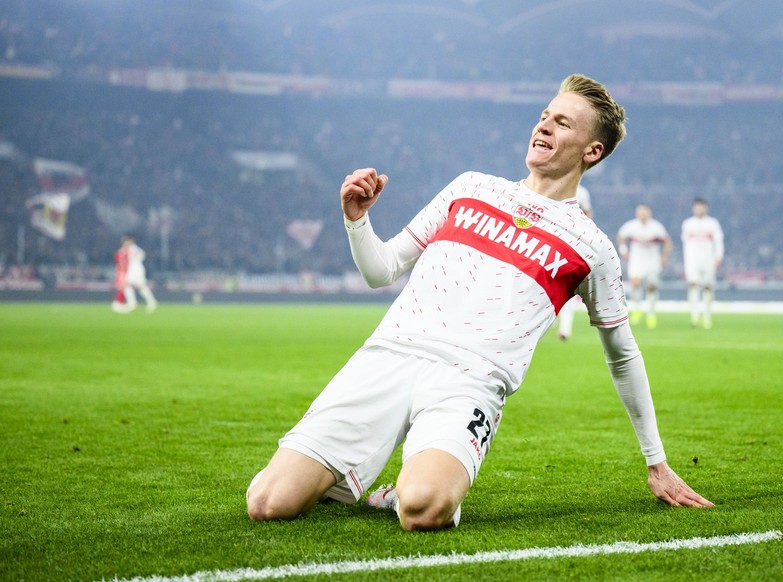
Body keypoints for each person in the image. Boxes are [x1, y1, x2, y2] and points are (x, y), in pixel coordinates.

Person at [246, 74, 712, 531]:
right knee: (268, 503)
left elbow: (623, 355)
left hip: (469, 383)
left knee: (422, 510)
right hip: (389, 356)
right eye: (545, 116)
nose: (544, 126)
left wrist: (656, 462)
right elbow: (381, 269)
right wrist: (357, 221)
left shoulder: (592, 247)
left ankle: (407, 489)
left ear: (593, 151)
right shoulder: (469, 187)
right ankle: (343, 478)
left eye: (563, 123)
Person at [616, 204, 672, 329]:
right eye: (640, 212)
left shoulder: (656, 227)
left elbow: (667, 242)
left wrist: (664, 256)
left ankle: (651, 313)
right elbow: (620, 236)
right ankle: (637, 309)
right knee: (635, 283)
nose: (642, 214)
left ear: (649, 213)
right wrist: (624, 249)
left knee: (651, 287)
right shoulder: (631, 225)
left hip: (652, 260)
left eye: (644, 212)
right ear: (637, 213)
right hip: (637, 260)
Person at [556, 182, 593, 340]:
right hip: (551, 240)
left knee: (566, 286)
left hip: (570, 243)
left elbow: (587, 213)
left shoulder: (582, 192)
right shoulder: (551, 186)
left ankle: (565, 328)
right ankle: (550, 321)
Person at [681, 198, 723, 329]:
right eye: (697, 207)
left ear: (706, 208)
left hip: (708, 260)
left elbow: (718, 241)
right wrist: (686, 263)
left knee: (707, 287)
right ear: (693, 208)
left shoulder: (712, 223)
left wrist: (718, 257)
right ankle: (694, 316)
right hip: (692, 260)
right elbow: (685, 244)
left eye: (702, 207)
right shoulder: (687, 224)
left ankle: (707, 317)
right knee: (693, 286)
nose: (699, 209)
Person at [111, 235, 157, 313]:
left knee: (137, 286)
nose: (124, 243)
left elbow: (122, 257)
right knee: (134, 286)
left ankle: (144, 303)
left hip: (135, 269)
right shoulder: (133, 249)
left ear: (130, 241)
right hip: (133, 269)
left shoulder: (133, 249)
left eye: (125, 241)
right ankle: (137, 303)